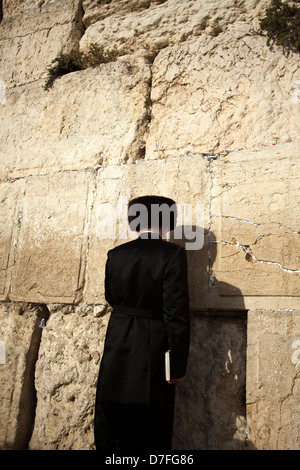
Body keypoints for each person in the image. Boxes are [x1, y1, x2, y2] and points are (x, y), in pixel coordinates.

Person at [94, 195, 190, 451]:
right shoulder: (172, 254)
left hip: (118, 335)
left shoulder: (116, 254)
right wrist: (178, 365)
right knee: (151, 416)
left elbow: (111, 297)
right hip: (153, 341)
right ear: (167, 219)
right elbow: (175, 312)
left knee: (113, 405)